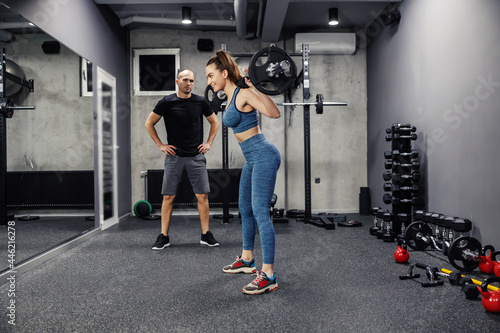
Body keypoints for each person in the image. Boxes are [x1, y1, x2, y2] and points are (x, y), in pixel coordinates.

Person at [205, 51, 281, 294]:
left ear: (224, 73)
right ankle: (247, 259)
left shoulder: (244, 93)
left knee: (260, 211)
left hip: (264, 155)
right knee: (245, 208)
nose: (208, 81)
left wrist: (254, 89)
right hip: (251, 159)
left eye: (211, 75)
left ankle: (268, 273)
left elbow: (274, 113)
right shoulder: (229, 96)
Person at [145, 69, 220, 250]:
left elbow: (215, 122)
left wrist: (209, 143)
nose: (189, 83)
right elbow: (149, 123)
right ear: (177, 82)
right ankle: (163, 236)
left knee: (202, 196)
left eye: (192, 81)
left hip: (196, 157)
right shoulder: (167, 102)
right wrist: (161, 145)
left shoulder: (200, 101)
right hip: (174, 157)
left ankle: (205, 234)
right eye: (185, 80)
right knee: (168, 197)